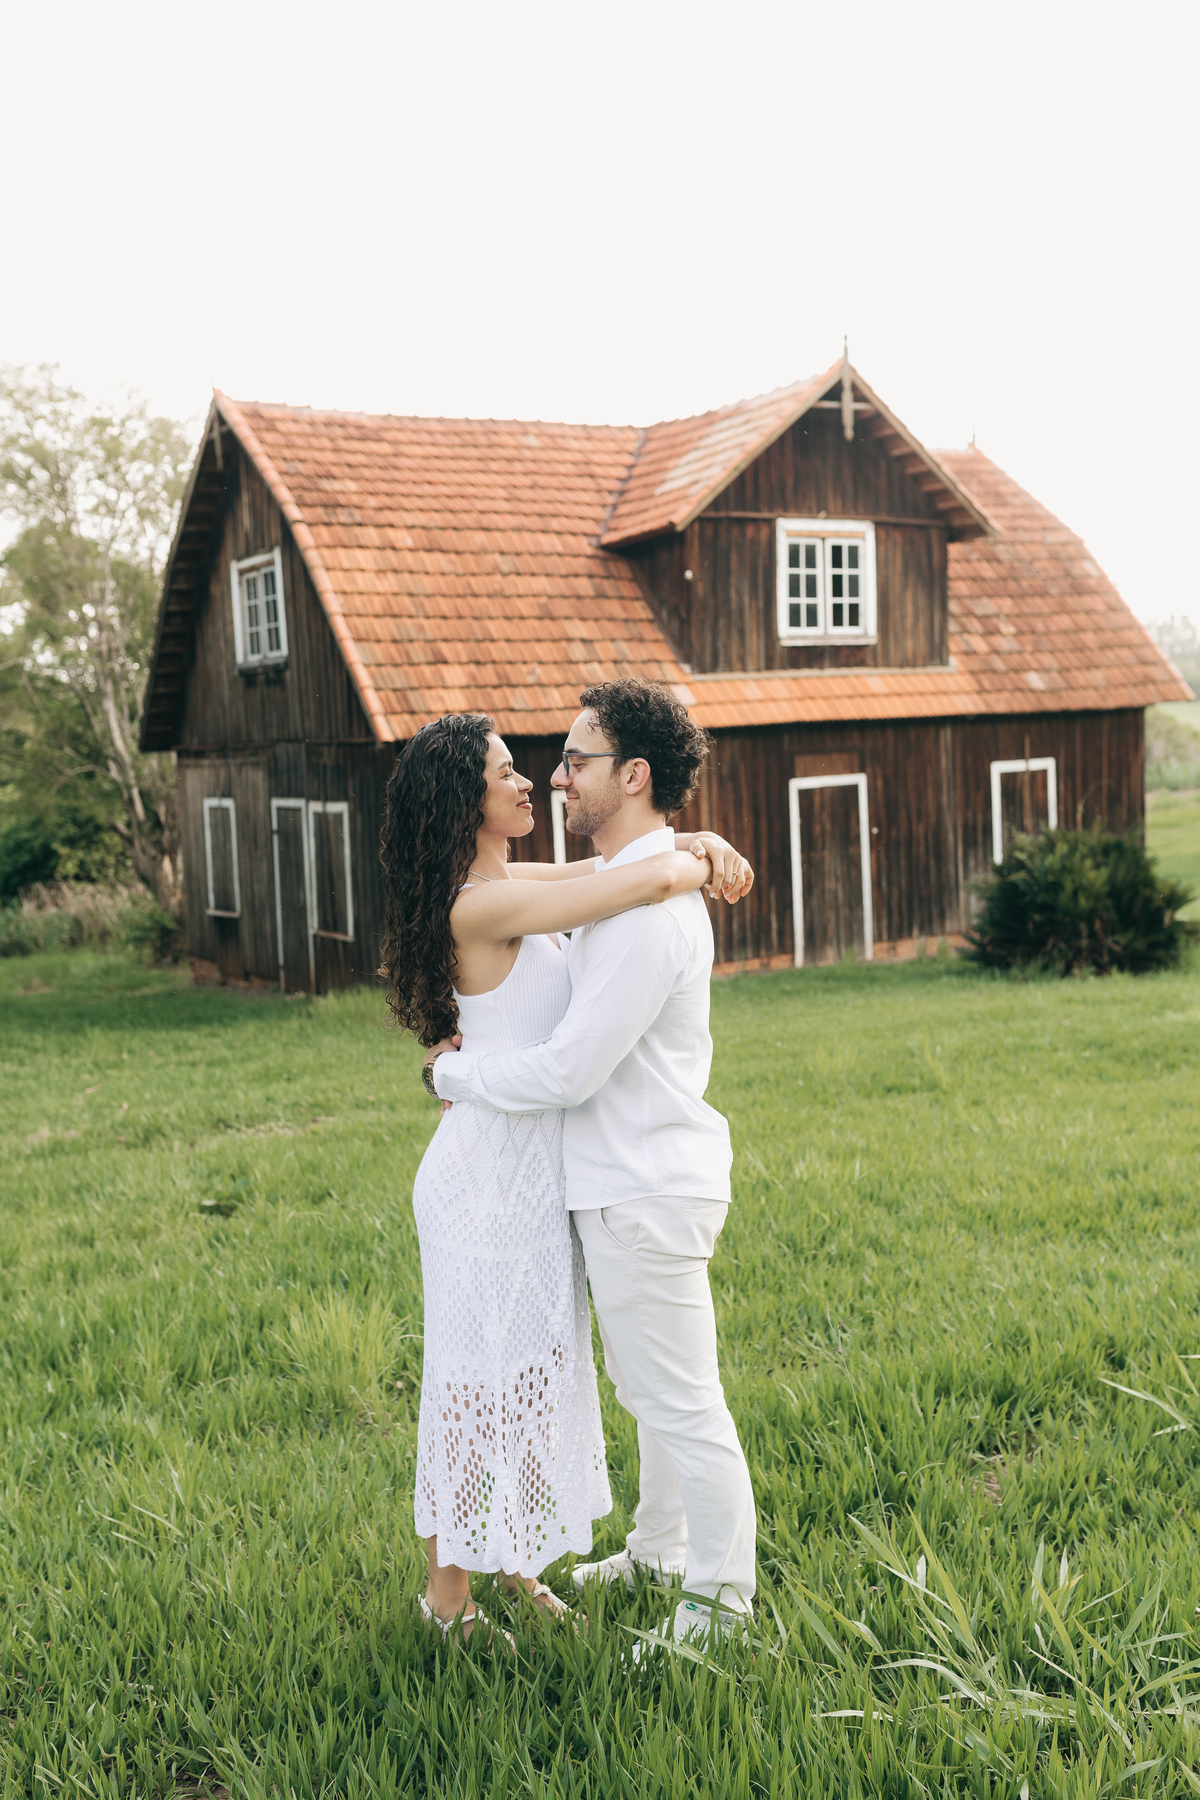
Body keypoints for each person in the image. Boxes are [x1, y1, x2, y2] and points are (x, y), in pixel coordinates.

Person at [380, 711, 752, 1646]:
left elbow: (610, 872)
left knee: (532, 1381)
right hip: (484, 1179)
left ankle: (515, 1565)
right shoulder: (478, 905)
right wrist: (701, 858)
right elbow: (637, 879)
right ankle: (447, 1599)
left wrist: (696, 842)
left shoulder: (512, 883)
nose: (531, 782)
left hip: (537, 1178)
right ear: (464, 801)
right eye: (507, 772)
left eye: (539, 766)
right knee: (473, 1387)